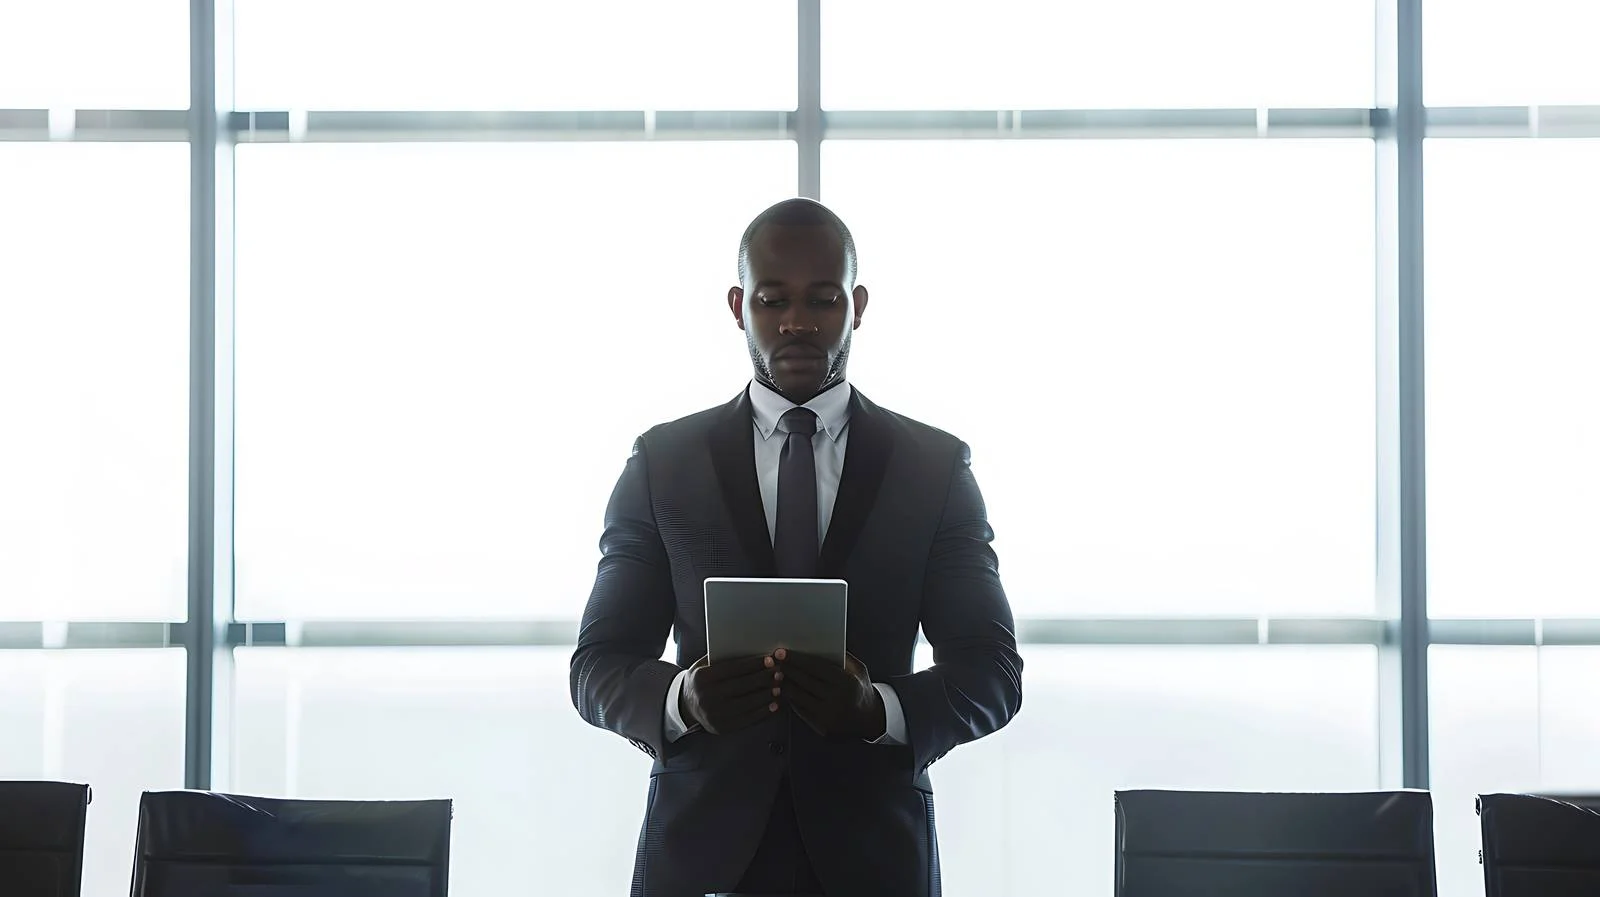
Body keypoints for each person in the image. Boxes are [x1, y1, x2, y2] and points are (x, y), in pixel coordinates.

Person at [570, 198, 1022, 897]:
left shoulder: (934, 468)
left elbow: (992, 672)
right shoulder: (664, 462)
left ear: (857, 306)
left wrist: (878, 711)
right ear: (738, 305)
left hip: (874, 859)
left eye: (824, 300)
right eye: (772, 299)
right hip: (700, 859)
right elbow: (597, 666)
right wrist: (682, 700)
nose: (798, 323)